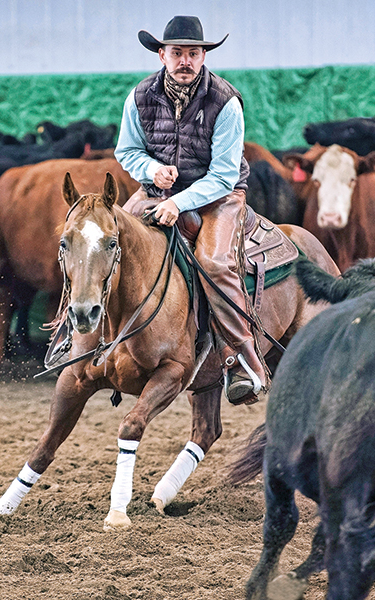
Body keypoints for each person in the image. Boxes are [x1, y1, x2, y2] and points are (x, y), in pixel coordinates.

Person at [114, 15, 266, 405]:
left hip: (220, 197)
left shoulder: (225, 101)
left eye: (193, 53)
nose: (185, 61)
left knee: (214, 263)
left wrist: (177, 202)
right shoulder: (139, 96)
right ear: (161, 55)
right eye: (177, 52)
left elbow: (224, 175)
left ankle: (243, 359)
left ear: (203, 56)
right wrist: (151, 170)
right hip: (156, 190)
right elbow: (126, 151)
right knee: (108, 240)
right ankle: (79, 338)